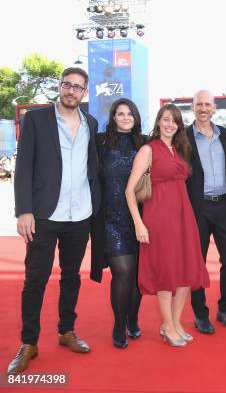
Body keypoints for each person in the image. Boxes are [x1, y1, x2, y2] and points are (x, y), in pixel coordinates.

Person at [8, 67, 101, 375]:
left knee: (72, 276)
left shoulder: (91, 122)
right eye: (67, 85)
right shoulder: (37, 119)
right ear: (60, 87)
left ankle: (66, 331)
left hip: (80, 214)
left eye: (78, 87)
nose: (71, 91)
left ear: (84, 92)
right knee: (35, 280)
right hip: (45, 215)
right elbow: (24, 167)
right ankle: (29, 343)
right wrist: (24, 210)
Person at [125, 104, 210, 347]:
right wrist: (139, 224)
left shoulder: (181, 149)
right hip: (159, 218)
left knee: (185, 270)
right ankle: (166, 324)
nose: (170, 124)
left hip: (184, 217)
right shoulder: (148, 150)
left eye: (174, 120)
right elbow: (130, 191)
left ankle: (176, 321)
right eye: (165, 119)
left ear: (179, 124)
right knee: (166, 271)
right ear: (158, 122)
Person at [90, 98, 146, 348]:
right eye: (119, 113)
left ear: (135, 118)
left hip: (141, 220)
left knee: (138, 275)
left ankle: (133, 318)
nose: (124, 117)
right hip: (110, 219)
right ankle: (119, 323)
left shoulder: (145, 143)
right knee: (123, 272)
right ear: (113, 117)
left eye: (129, 114)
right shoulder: (100, 143)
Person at [185, 90, 226, 334]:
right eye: (199, 104)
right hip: (198, 207)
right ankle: (200, 314)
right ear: (193, 107)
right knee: (198, 261)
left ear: (214, 107)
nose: (204, 108)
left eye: (208, 104)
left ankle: (225, 309)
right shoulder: (183, 137)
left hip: (225, 205)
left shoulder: (225, 136)